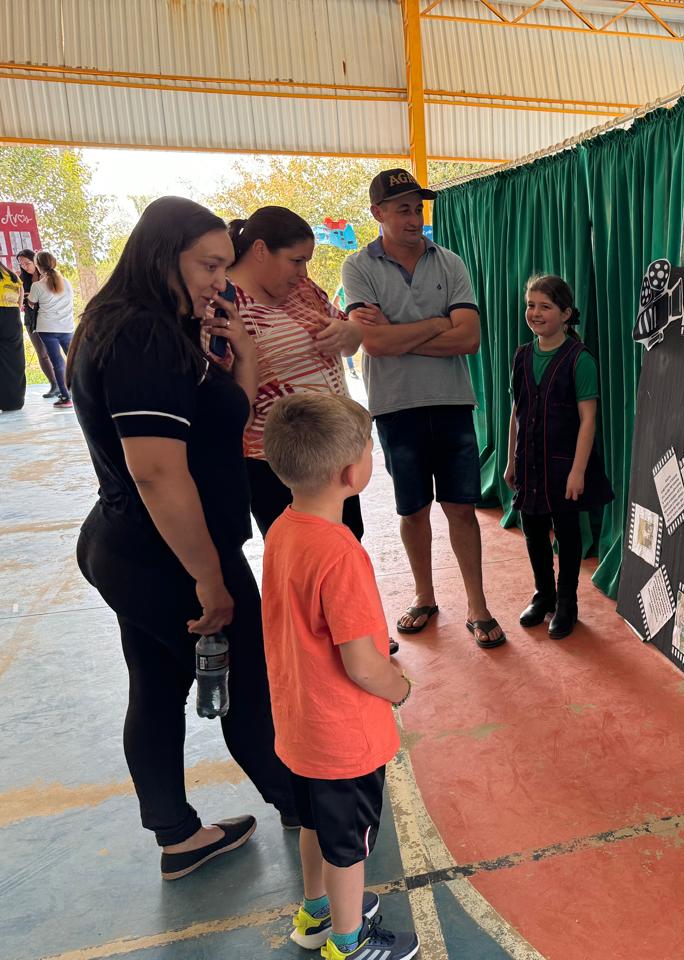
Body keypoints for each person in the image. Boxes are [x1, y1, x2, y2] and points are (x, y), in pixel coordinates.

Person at [68, 196, 298, 879]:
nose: (218, 282)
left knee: (157, 684)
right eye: (207, 265)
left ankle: (177, 834)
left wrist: (242, 349)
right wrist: (209, 578)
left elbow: (226, 415)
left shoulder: (152, 328)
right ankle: (303, 802)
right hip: (164, 555)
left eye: (223, 267)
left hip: (135, 549)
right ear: (159, 255)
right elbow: (159, 474)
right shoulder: (141, 340)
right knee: (249, 683)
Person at [260, 392, 418, 960]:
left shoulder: (284, 528)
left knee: (312, 824)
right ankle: (349, 944)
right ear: (351, 473)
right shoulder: (341, 552)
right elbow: (362, 663)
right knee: (349, 847)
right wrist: (399, 687)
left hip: (300, 726)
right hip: (343, 737)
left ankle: (317, 912)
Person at [341, 168, 506, 648]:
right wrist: (438, 324)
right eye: (403, 209)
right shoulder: (358, 267)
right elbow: (372, 344)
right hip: (395, 408)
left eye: (418, 208)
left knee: (461, 508)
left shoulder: (450, 262)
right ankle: (424, 596)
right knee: (412, 510)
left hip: (453, 404)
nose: (414, 218)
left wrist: (399, 331)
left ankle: (477, 605)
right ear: (379, 214)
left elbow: (470, 338)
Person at [226, 206, 364, 539]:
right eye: (296, 260)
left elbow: (351, 338)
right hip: (277, 462)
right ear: (260, 250)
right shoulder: (225, 307)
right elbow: (228, 406)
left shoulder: (303, 291)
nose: (303, 272)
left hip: (334, 448)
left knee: (347, 542)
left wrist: (351, 334)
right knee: (300, 554)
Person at [503, 275, 613, 639]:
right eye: (530, 305)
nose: (535, 313)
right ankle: (543, 596)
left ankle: (567, 604)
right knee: (533, 531)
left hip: (565, 465)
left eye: (545, 306)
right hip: (529, 462)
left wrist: (578, 471)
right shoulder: (521, 356)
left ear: (565, 314)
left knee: (567, 534)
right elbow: (516, 411)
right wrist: (509, 461)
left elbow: (588, 420)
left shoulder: (579, 360)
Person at [28, 250, 75, 407]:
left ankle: (66, 398)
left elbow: (31, 303)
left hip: (47, 328)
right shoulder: (66, 282)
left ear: (38, 266)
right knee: (75, 360)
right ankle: (84, 393)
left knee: (57, 362)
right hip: (67, 327)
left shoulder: (37, 285)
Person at [16, 249, 58, 396]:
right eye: (21, 264)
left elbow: (52, 295)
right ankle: (54, 384)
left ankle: (66, 384)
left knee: (54, 352)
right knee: (42, 353)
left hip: (48, 317)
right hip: (30, 319)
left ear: (36, 261)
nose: (24, 267)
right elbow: (21, 298)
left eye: (27, 263)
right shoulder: (22, 278)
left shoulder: (49, 276)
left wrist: (31, 297)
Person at [0, 262, 25, 410]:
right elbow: (20, 297)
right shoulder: (12, 275)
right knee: (14, 359)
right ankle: (13, 401)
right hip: (12, 316)